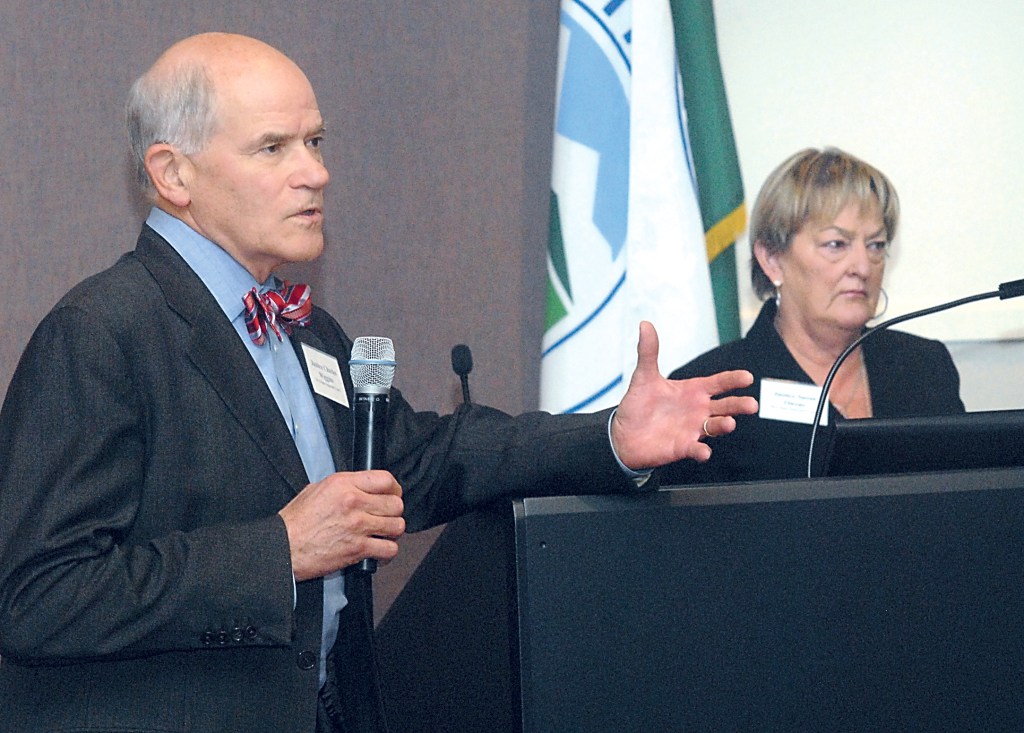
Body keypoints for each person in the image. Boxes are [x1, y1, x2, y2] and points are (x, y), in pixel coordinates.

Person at [0, 33, 757, 733]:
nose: (316, 172)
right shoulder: (100, 333)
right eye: (273, 147)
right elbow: (36, 598)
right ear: (173, 174)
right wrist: (279, 551)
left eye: (315, 141)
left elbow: (423, 458)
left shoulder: (307, 330)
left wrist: (610, 437)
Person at [659, 147, 964, 486]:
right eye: (836, 244)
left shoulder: (924, 367)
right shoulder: (713, 388)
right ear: (772, 259)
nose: (862, 267)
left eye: (876, 245)